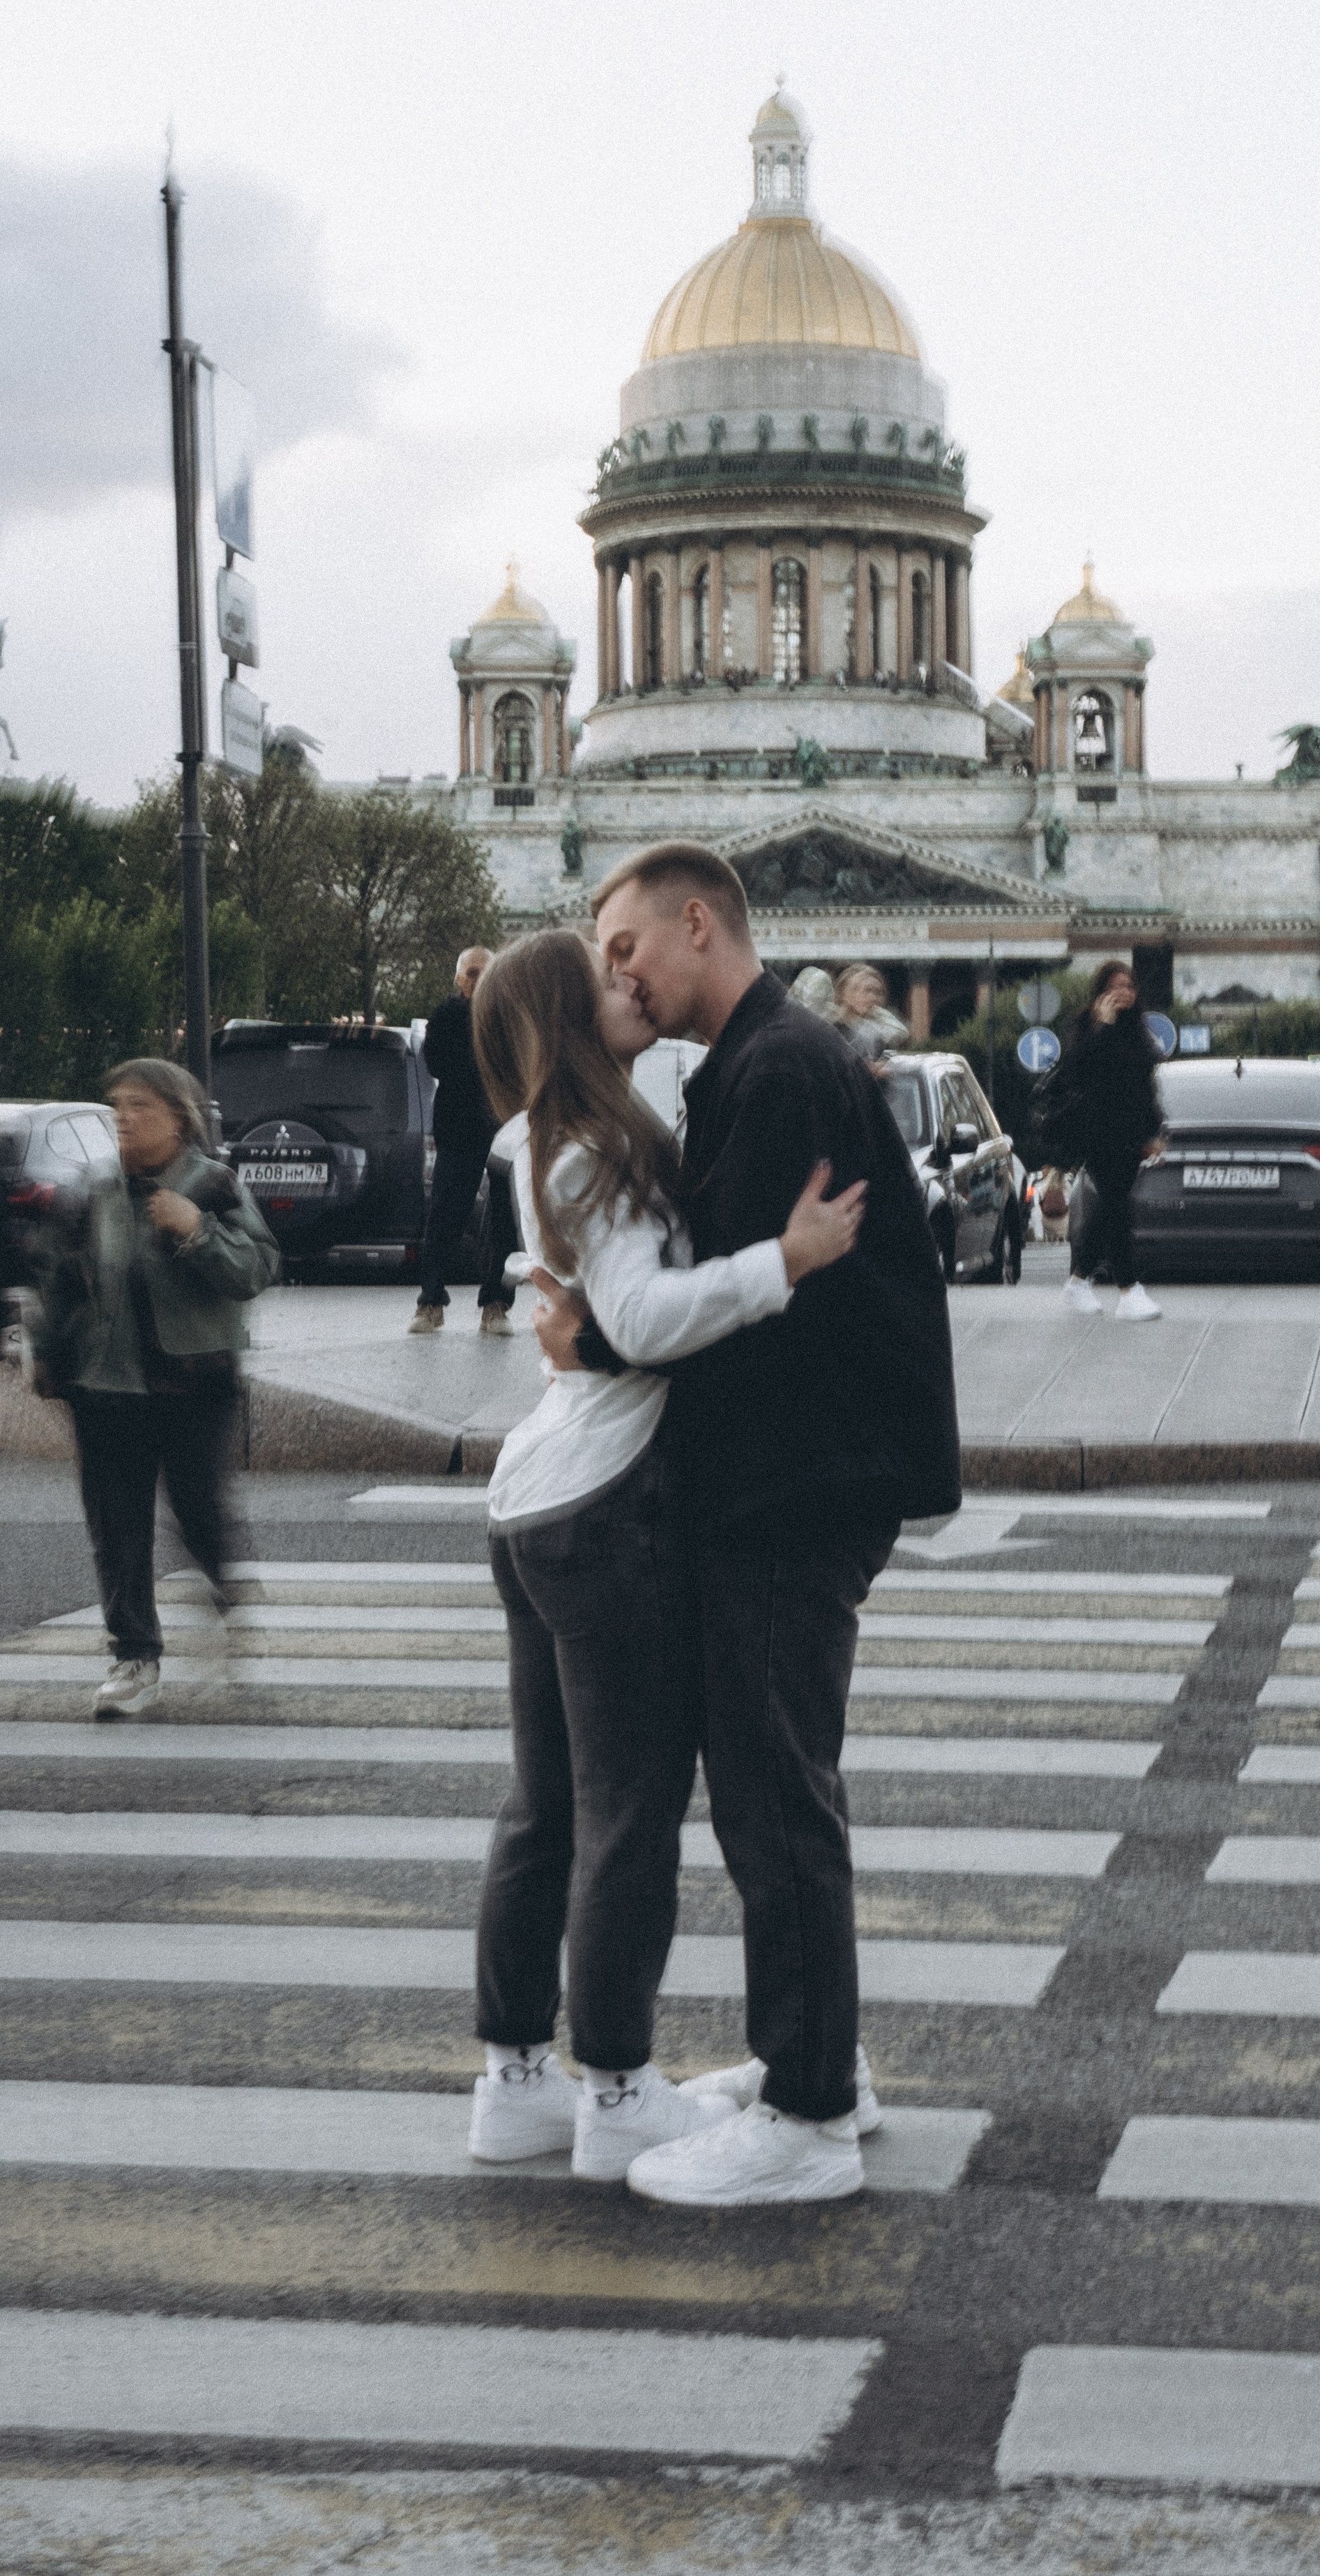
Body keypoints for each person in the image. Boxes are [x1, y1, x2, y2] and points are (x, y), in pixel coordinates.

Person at [579, 840, 960, 2209]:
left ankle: (803, 2112)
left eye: (625, 945)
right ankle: (820, 2062)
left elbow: (738, 1284)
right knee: (775, 1782)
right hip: (799, 1468)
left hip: (796, 1477)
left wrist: (606, 1336)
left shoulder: (779, 1063)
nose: (613, 971)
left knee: (771, 1794)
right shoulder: (763, 1056)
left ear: (698, 924)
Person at [464, 927, 868, 2183]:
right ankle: (620, 2092)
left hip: (537, 1495)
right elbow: (641, 1319)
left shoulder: (537, 1136)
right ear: (571, 1019)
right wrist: (781, 1263)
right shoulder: (588, 1150)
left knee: (545, 1809)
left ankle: (518, 2078)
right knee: (627, 1816)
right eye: (608, 980)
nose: (629, 985)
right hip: (603, 1503)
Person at [27, 1059, 280, 1718]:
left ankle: (224, 1588)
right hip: (105, 1385)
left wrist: (196, 1230)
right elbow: (58, 1277)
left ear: (179, 1118)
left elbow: (257, 1268)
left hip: (193, 1383)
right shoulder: (92, 1188)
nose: (126, 1119)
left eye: (142, 1106)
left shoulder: (214, 1184)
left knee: (197, 1510)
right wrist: (48, 1355)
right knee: (117, 1525)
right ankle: (134, 1655)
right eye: (118, 1107)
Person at [409, 946, 517, 1338]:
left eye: (485, 972)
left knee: (505, 1218)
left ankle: (496, 1304)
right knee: (445, 1214)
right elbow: (437, 1062)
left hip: (504, 1129)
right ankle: (430, 1301)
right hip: (459, 1129)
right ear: (459, 979)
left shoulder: (511, 1018)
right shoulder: (448, 1015)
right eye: (472, 973)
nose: (478, 980)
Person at [1054, 960, 1165, 1321]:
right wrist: (1102, 1028)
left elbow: (1145, 1088)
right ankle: (1129, 1290)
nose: (1124, 993)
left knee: (1109, 1209)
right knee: (1117, 1208)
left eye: (1129, 986)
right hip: (1097, 1133)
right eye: (1115, 986)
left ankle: (1079, 1282)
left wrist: (1154, 1132)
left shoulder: (1139, 1031)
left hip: (1130, 1135)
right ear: (1101, 990)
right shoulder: (1086, 1025)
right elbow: (1074, 1073)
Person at [833, 963, 909, 1070]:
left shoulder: (881, 1031)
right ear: (846, 993)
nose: (873, 998)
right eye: (867, 990)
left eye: (878, 992)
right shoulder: (832, 1028)